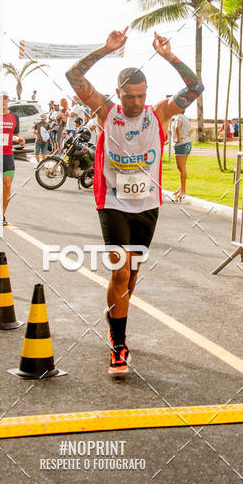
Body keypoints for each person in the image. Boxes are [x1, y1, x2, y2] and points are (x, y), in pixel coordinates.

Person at [66, 27, 204, 378]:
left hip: (147, 203)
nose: (136, 103)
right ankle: (118, 345)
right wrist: (106, 48)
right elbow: (74, 76)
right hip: (112, 202)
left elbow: (195, 89)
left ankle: (116, 314)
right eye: (130, 97)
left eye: (141, 96)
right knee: (120, 270)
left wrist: (170, 56)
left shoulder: (158, 113)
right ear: (118, 94)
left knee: (131, 277)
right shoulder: (105, 111)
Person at [0, 92, 24, 225]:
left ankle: (1, 214)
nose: (2, 102)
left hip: (8, 154)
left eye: (4, 99)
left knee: (7, 185)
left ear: (8, 100)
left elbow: (14, 134)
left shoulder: (14, 117)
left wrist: (19, 139)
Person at [172, 112, 192, 202]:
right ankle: (181, 188)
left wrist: (178, 138)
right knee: (182, 167)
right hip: (187, 143)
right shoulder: (185, 118)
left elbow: (177, 126)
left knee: (181, 168)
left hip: (181, 144)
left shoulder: (178, 117)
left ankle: (183, 190)